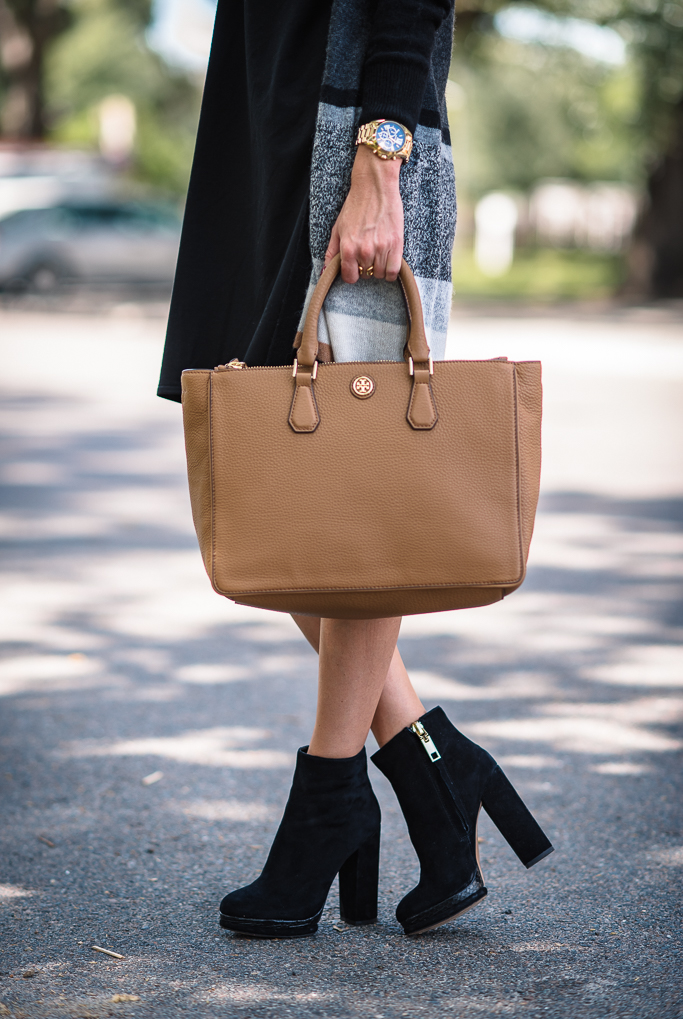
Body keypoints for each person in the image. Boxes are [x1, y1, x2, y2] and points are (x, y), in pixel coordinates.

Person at [158, 0, 553, 938]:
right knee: (283, 490)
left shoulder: (371, 159)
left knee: (354, 484)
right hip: (258, 140)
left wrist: (382, 158)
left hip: (348, 151)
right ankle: (430, 765)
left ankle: (333, 795)